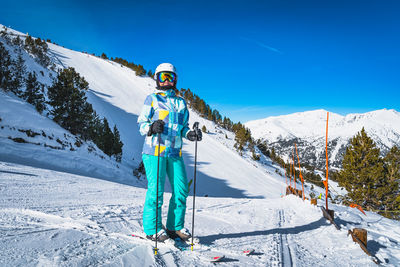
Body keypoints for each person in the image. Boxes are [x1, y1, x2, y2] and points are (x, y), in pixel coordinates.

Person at [137, 63, 202, 242]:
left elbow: (183, 128)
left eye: (170, 77)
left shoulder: (181, 103)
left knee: (181, 190)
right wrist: (151, 127)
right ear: (157, 79)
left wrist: (190, 134)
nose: (166, 81)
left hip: (174, 152)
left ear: (175, 80)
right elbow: (141, 123)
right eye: (162, 77)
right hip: (154, 151)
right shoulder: (152, 99)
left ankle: (175, 227)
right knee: (156, 191)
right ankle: (152, 229)